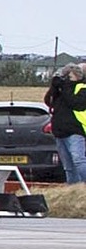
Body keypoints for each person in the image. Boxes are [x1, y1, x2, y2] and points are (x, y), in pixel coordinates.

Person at [51, 60, 86, 194]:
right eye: (65, 77)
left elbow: (75, 103)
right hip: (60, 132)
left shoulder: (81, 88)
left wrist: (65, 87)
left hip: (75, 131)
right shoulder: (62, 90)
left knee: (79, 160)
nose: (67, 80)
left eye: (70, 77)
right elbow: (49, 101)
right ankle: (74, 192)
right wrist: (54, 86)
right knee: (68, 167)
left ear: (78, 76)